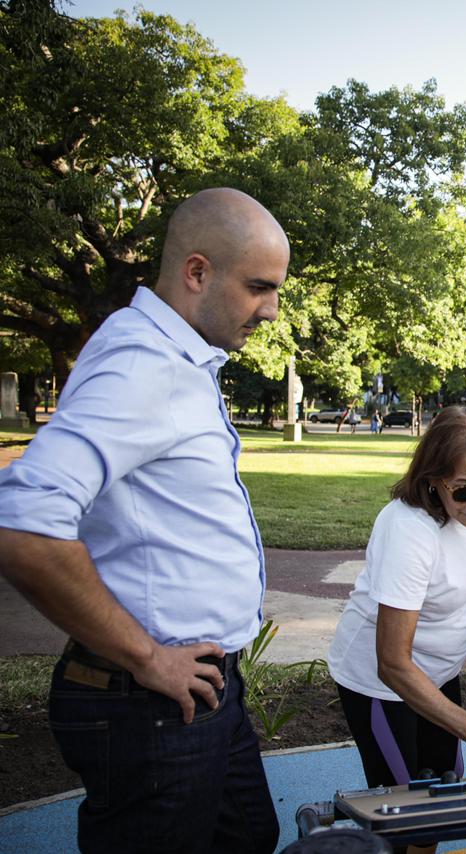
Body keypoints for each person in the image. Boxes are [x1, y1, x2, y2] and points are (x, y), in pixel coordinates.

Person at [0, 188, 289, 853]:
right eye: (257, 287)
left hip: (199, 689)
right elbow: (24, 522)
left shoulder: (176, 357)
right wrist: (148, 657)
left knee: (248, 837)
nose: (271, 309)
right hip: (151, 702)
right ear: (196, 272)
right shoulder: (143, 365)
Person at [327, 407, 466, 849]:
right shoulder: (408, 530)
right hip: (382, 686)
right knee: (404, 817)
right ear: (432, 481)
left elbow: (461, 581)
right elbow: (393, 664)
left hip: (436, 675)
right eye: (465, 492)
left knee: (441, 801)